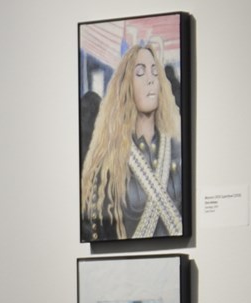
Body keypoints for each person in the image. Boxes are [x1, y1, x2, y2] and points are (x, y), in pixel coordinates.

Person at [78, 34, 185, 241]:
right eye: (140, 73)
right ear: (127, 85)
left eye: (155, 72)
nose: (150, 79)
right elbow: (100, 229)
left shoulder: (177, 148)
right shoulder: (109, 159)